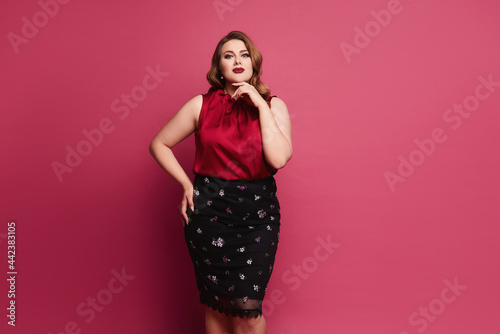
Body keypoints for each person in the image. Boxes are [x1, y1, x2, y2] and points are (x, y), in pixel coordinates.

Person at [149, 30, 292, 334]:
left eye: (243, 55)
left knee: (248, 314)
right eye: (229, 56)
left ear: (253, 63)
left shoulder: (273, 106)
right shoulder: (201, 105)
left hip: (257, 217)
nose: (237, 60)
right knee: (217, 307)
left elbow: (278, 159)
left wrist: (258, 102)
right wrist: (188, 186)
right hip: (209, 215)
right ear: (219, 67)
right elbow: (159, 144)